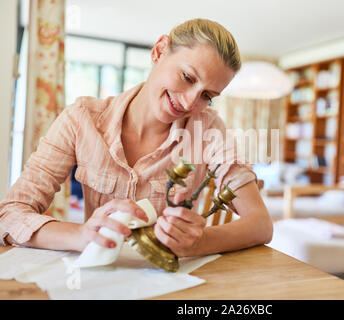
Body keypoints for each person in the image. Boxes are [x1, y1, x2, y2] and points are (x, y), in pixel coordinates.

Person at [0, 18, 273, 258]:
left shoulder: (209, 130)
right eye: (188, 77)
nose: (191, 102)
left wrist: (199, 242)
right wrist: (81, 235)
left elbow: (260, 223)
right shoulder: (80, 119)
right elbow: (9, 214)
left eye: (207, 96)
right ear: (159, 50)